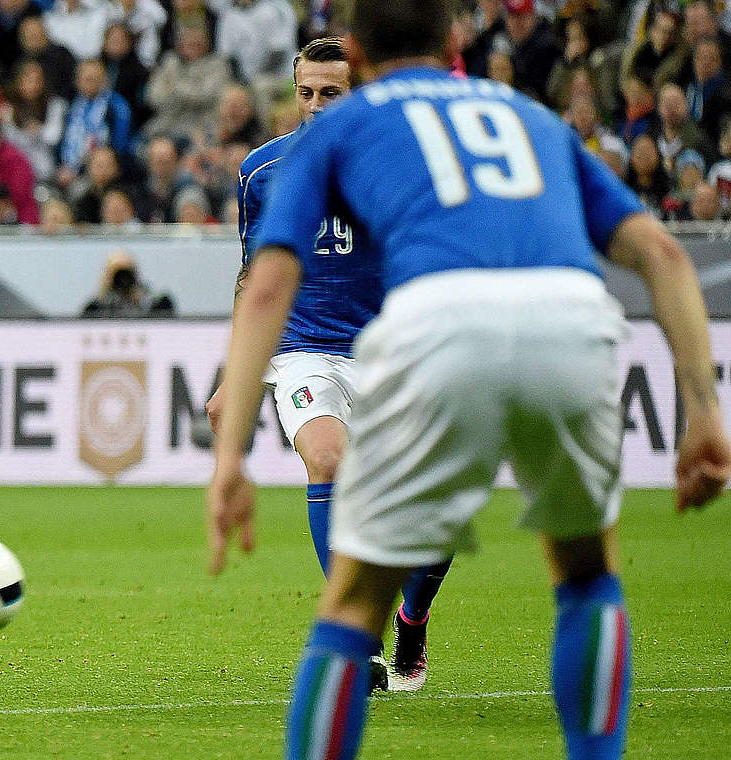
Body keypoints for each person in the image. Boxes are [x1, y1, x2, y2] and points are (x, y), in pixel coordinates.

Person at [206, 2, 730, 759]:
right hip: (572, 319)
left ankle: (375, 645)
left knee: (355, 603)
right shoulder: (529, 116)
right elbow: (666, 256)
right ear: (454, 44)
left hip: (433, 324)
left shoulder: (347, 132)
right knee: (587, 574)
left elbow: (264, 288)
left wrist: (228, 458)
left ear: (358, 54)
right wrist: (705, 410)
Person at [207, 36, 451, 693]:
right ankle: (358, 635)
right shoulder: (263, 172)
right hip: (304, 350)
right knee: (327, 459)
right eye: (306, 93)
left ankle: (412, 615)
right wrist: (237, 370)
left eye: (330, 94)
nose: (315, 106)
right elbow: (253, 277)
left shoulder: (406, 164)